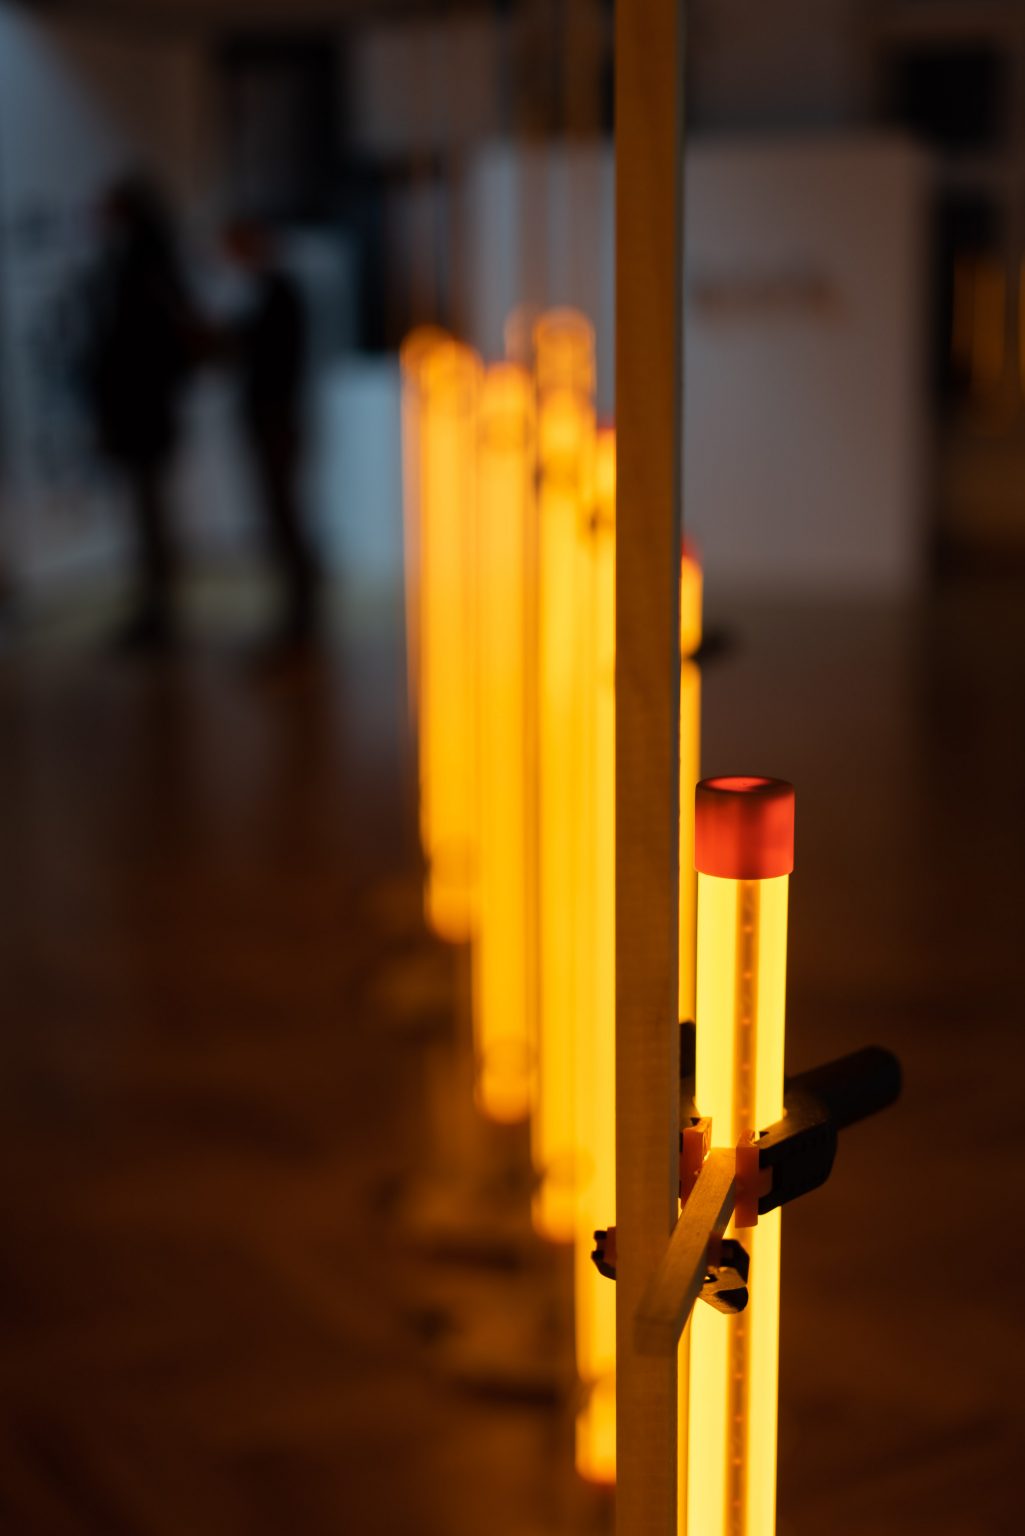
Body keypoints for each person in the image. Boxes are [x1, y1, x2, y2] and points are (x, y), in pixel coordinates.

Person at [84, 174, 192, 647]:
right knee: (147, 510)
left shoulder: (142, 269)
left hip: (142, 412)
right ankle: (155, 605)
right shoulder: (142, 266)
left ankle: (158, 608)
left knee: (150, 511)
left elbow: (148, 347)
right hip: (141, 411)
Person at [222, 216, 319, 648]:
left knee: (284, 510)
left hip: (276, 416)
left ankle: (300, 607)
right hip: (273, 416)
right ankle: (296, 607)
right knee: (280, 510)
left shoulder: (277, 292)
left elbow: (272, 357)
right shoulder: (268, 292)